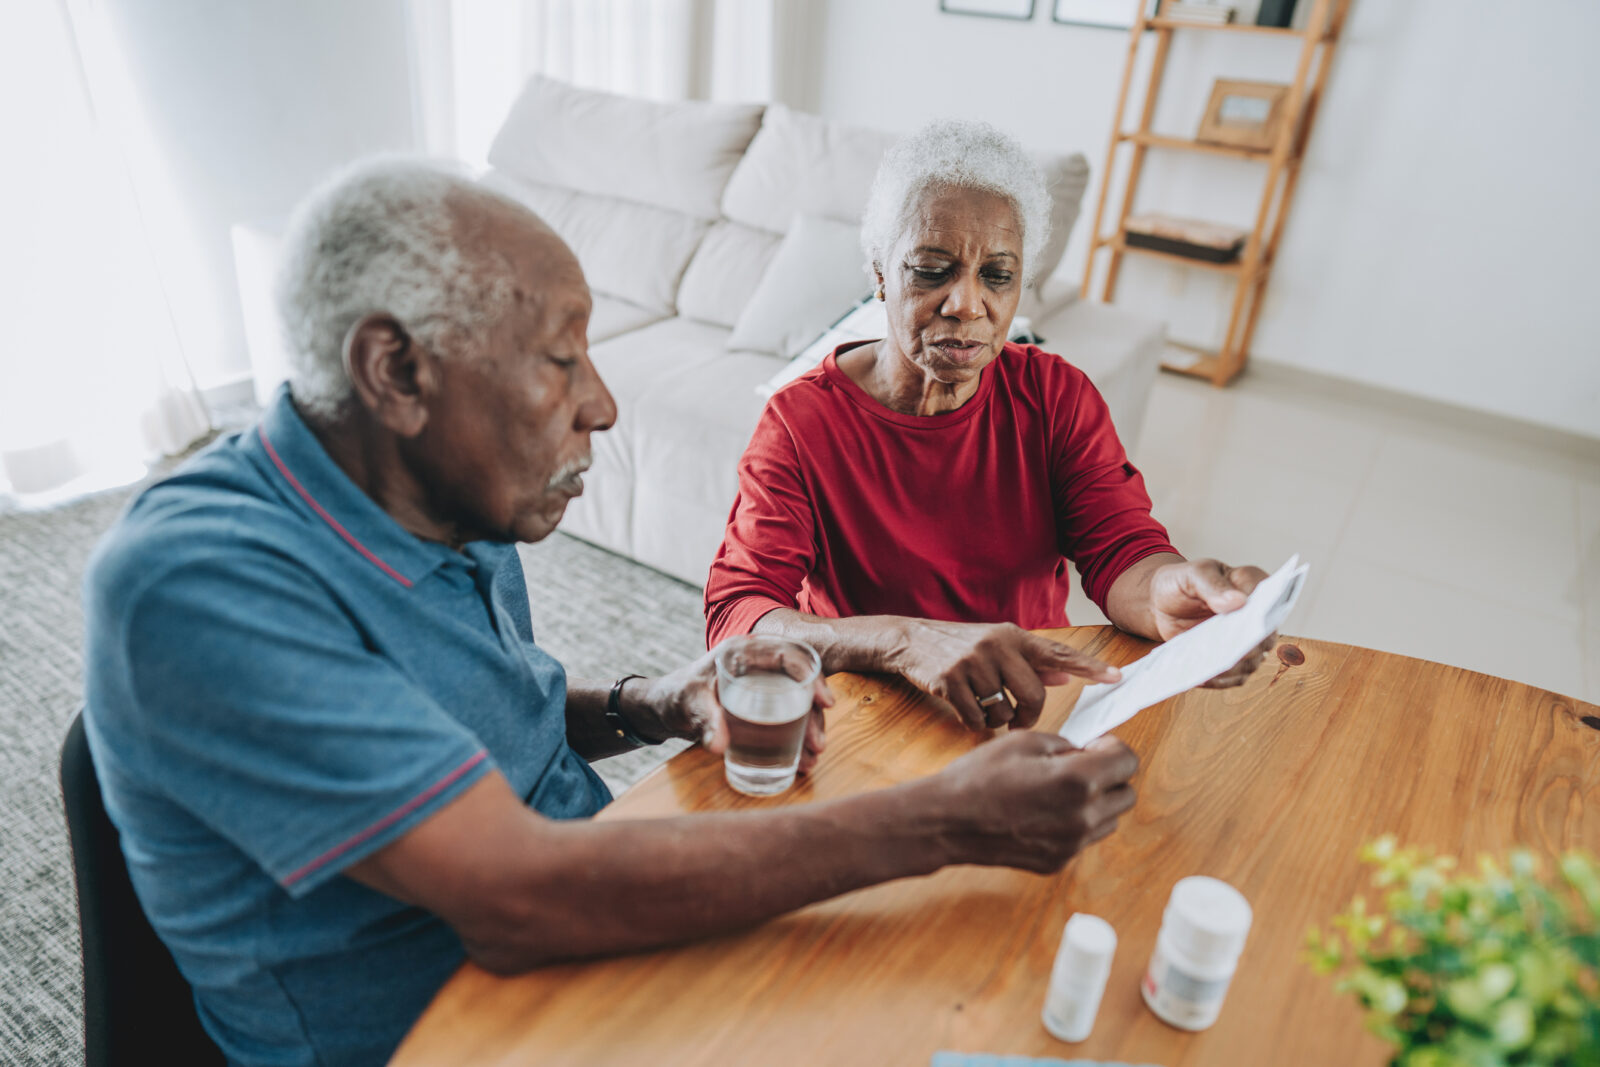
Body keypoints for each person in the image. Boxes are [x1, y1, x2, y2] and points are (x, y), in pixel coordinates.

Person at [82, 160, 1140, 1067]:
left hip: (587, 936)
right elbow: (518, 894)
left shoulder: (444, 492)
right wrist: (946, 821)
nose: (602, 401)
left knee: (969, 988)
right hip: (457, 1021)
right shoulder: (195, 587)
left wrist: (647, 702)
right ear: (396, 370)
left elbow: (480, 720)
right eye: (559, 358)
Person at [704, 120, 1275, 732]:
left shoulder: (1056, 396)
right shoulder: (801, 423)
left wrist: (1170, 589)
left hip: (1026, 697)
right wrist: (903, 641)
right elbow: (739, 613)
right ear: (878, 273)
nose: (968, 305)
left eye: (997, 275)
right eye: (931, 270)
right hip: (876, 708)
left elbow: (1121, 551)